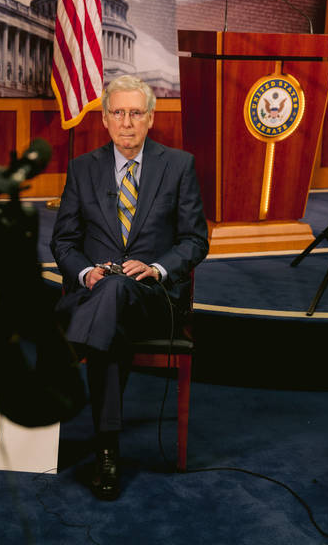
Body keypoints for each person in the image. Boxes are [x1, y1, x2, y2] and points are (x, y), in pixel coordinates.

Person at [50, 74, 209, 500]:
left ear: (150, 118)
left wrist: (157, 268)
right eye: (117, 113)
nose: (126, 122)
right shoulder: (84, 168)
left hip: (152, 298)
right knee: (110, 298)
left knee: (120, 291)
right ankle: (107, 447)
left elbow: (196, 240)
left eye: (135, 113)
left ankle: (68, 344)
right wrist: (87, 273)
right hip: (97, 294)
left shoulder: (178, 166)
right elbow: (63, 242)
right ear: (104, 119)